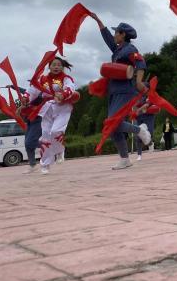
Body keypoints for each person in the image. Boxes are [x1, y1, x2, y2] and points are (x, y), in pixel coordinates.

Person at [89, 14, 152, 170]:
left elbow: (140, 63)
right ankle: (124, 159)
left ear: (123, 34)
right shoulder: (118, 49)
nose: (115, 35)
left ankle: (140, 130)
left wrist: (138, 81)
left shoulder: (130, 49)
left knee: (113, 121)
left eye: (116, 32)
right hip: (114, 90)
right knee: (112, 127)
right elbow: (107, 38)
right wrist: (99, 22)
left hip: (125, 90)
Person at [24, 57, 80, 174]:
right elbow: (32, 91)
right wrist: (25, 99)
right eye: (54, 65)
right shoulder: (42, 79)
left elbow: (70, 88)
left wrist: (63, 94)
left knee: (56, 131)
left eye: (59, 65)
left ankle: (59, 150)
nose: (56, 67)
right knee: (45, 136)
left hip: (63, 107)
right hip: (47, 108)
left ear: (62, 66)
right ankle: (45, 165)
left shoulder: (66, 78)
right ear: (49, 66)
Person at [133, 85, 160, 161]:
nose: (143, 88)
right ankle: (139, 154)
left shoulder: (151, 95)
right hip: (139, 117)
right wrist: (135, 110)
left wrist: (139, 109)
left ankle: (150, 143)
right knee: (138, 135)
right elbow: (134, 106)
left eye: (144, 87)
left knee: (149, 133)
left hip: (149, 117)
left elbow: (146, 105)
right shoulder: (138, 95)